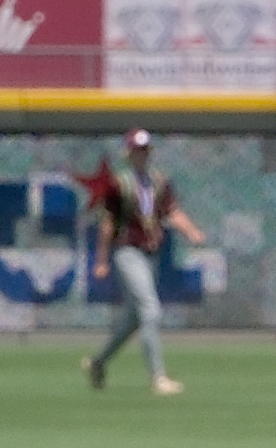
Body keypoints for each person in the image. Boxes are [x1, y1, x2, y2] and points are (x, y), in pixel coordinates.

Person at [84, 128, 205, 396]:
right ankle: (158, 378)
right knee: (150, 309)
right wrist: (101, 260)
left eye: (146, 150)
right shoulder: (119, 184)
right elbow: (108, 224)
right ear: (128, 154)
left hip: (151, 254)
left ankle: (97, 363)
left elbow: (172, 212)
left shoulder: (159, 182)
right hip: (127, 252)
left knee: (134, 319)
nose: (142, 155)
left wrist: (192, 231)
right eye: (137, 150)